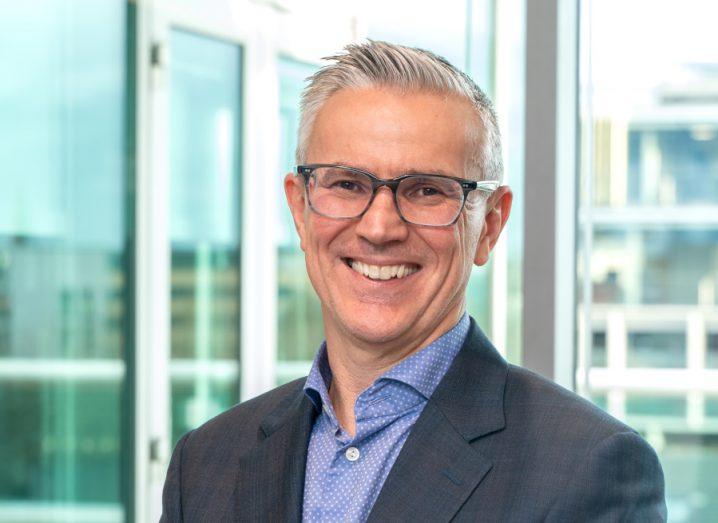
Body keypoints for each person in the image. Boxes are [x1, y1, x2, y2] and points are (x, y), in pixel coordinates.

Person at [161, 41, 666, 522]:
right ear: (300, 208)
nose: (379, 227)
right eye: (347, 184)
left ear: (488, 224)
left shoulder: (587, 469)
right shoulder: (205, 463)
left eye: (427, 191)